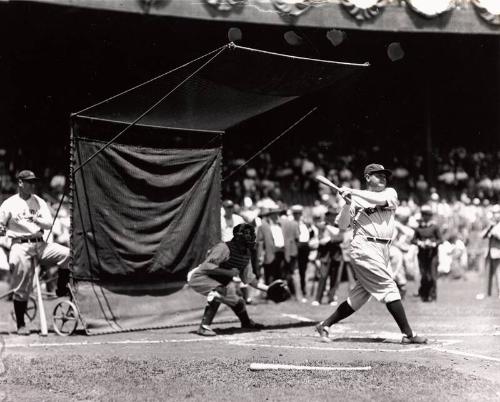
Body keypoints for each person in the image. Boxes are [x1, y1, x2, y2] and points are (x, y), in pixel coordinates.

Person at [315, 163, 427, 344]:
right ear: (367, 178)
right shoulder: (355, 199)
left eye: (384, 175)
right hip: (364, 247)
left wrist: (352, 192)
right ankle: (408, 334)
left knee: (360, 295)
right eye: (378, 175)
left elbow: (377, 201)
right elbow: (343, 225)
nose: (383, 177)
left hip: (383, 250)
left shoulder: (390, 193)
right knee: (389, 288)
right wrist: (347, 204)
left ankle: (325, 325)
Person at [0, 170, 70, 335]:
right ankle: (21, 324)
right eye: (29, 182)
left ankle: (60, 288)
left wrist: (36, 220)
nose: (32, 185)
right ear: (20, 183)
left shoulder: (39, 202)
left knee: (67, 253)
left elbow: (48, 224)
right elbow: (1, 226)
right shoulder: (8, 204)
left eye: (34, 182)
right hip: (20, 245)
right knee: (22, 288)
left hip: (40, 244)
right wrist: (2, 229)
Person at [187, 223, 269, 336]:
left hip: (219, 282)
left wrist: (268, 289)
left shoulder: (246, 254)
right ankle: (203, 327)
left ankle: (246, 323)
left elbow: (250, 280)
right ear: (238, 237)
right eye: (246, 235)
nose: (249, 237)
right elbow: (207, 267)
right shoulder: (224, 248)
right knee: (218, 292)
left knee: (238, 302)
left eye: (250, 235)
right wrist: (228, 272)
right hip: (199, 276)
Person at [413, 205, 441, 302]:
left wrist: (433, 244)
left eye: (428, 215)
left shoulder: (434, 227)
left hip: (432, 254)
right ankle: (424, 295)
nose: (426, 217)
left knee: (432, 275)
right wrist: (420, 243)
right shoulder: (419, 228)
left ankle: (432, 295)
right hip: (422, 254)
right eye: (424, 215)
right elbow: (413, 240)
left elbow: (440, 240)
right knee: (424, 274)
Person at [477, 204, 500, 299]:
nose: (495, 215)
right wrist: (488, 229)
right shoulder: (491, 225)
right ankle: (487, 293)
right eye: (494, 213)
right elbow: (482, 236)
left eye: (497, 213)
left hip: (498, 252)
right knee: (487, 274)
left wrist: (495, 234)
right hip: (489, 252)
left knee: (499, 274)